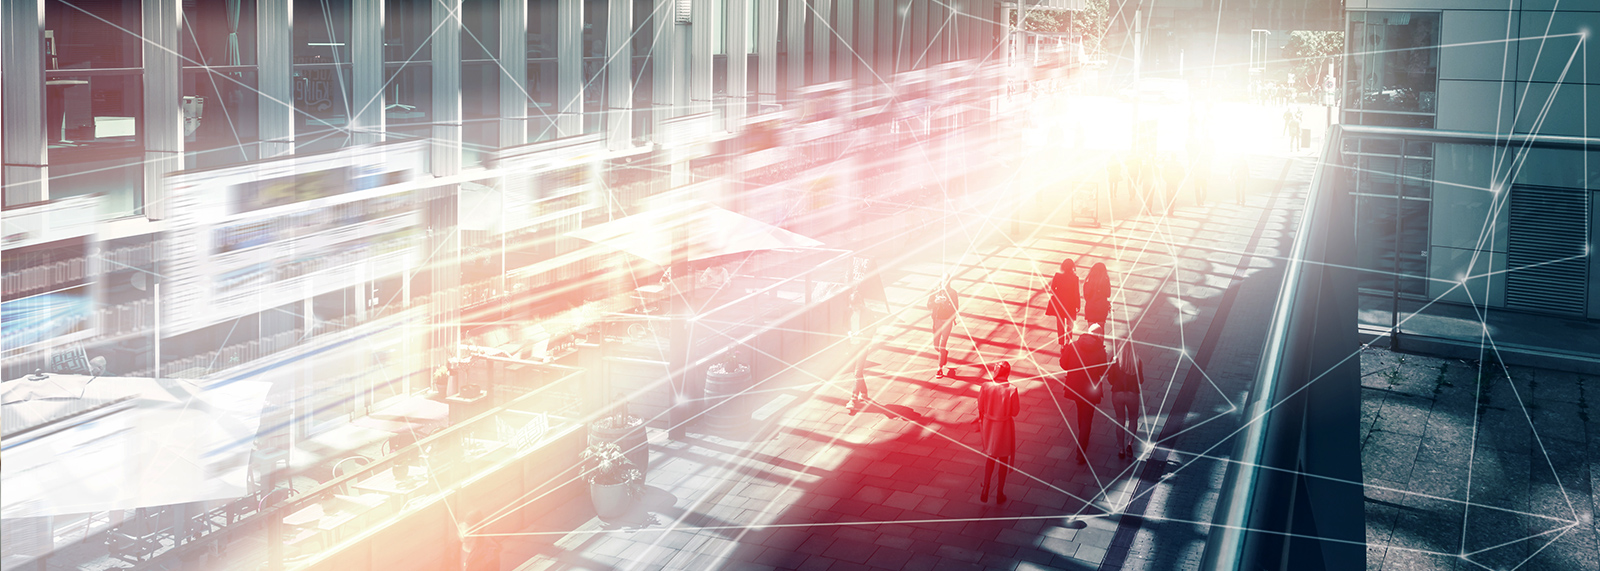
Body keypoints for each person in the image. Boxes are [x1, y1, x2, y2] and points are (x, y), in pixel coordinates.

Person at [1062, 324, 1109, 465]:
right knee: (1087, 418)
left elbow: (1064, 365)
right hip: (1091, 390)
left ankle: (1082, 434)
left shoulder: (1073, 345)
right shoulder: (1100, 350)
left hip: (1075, 387)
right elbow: (1102, 371)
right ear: (1099, 336)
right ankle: (1081, 451)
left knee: (1080, 411)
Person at [978, 361, 1020, 503]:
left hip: (989, 425)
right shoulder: (1012, 389)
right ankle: (999, 492)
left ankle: (986, 487)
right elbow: (1015, 412)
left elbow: (980, 406)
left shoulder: (985, 386)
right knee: (1003, 459)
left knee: (990, 456)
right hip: (1004, 426)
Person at [1109, 341, 1145, 460]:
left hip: (1117, 394)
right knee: (1133, 418)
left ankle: (1121, 449)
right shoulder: (1137, 361)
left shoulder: (1115, 361)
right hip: (1132, 394)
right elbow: (1141, 380)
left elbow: (1110, 380)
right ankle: (1130, 443)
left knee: (1120, 420)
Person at [928, 274, 961, 378]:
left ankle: (940, 368)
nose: (945, 283)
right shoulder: (934, 290)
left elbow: (956, 308)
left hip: (947, 320)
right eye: (943, 281)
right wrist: (935, 302)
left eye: (947, 281)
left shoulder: (952, 293)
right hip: (937, 320)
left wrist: (946, 302)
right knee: (936, 345)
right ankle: (944, 353)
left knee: (942, 343)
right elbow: (928, 305)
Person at [1044, 259, 1080, 347]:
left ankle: (1061, 343)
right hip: (1070, 303)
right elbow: (1076, 293)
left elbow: (1052, 289)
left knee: (1060, 324)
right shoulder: (1075, 278)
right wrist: (1078, 305)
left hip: (1059, 304)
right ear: (1072, 267)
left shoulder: (1057, 276)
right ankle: (1068, 340)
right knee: (1070, 323)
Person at [1082, 262, 1111, 331]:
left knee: (1091, 331)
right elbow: (1108, 294)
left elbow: (1086, 297)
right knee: (1101, 330)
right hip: (1101, 309)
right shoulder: (1105, 282)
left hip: (1090, 309)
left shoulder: (1087, 283)